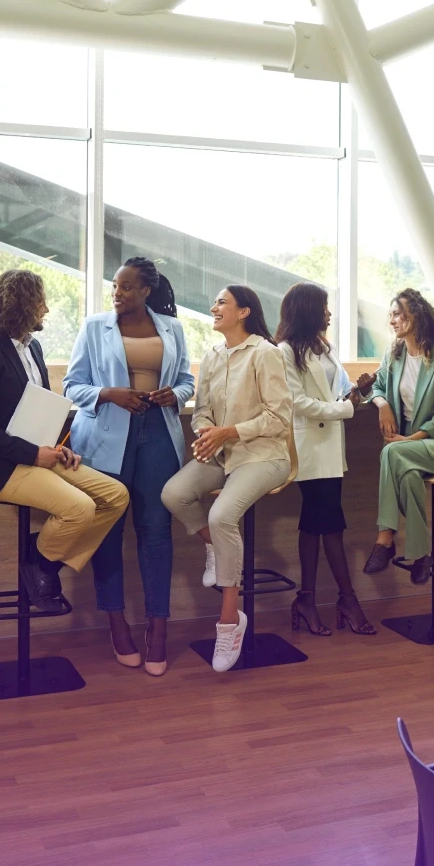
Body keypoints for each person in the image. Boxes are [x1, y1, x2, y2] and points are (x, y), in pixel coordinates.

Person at [0, 269, 129, 607]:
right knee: (80, 508)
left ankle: (42, 561)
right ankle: (43, 565)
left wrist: (58, 448)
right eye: (41, 303)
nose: (46, 310)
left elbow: (40, 410)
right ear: (22, 305)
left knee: (117, 495)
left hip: (38, 454)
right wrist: (36, 455)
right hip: (0, 465)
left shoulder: (33, 348)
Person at [64, 257, 195, 676]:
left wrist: (174, 394)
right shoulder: (94, 327)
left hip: (158, 434)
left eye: (124, 287)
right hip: (105, 438)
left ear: (145, 292)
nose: (116, 293)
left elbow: (189, 381)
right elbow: (71, 385)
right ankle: (116, 624)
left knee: (156, 532)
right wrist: (108, 394)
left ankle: (158, 630)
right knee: (109, 533)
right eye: (115, 286)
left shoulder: (172, 328)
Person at [161, 285, 292, 673]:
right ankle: (215, 548)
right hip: (224, 454)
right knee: (173, 494)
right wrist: (206, 433)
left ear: (244, 312)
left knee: (221, 517)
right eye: (215, 300)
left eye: (222, 302)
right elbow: (201, 411)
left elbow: (279, 419)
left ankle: (230, 621)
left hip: (266, 456)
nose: (213, 307)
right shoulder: (213, 355)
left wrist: (229, 432)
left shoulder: (266, 353)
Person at [276, 282, 376, 636]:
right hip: (308, 448)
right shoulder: (285, 351)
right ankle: (347, 599)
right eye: (324, 307)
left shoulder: (326, 348)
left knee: (315, 521)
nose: (330, 314)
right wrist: (343, 408)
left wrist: (358, 393)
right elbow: (295, 402)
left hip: (330, 445)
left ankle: (307, 599)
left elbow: (339, 393)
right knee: (330, 522)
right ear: (307, 311)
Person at [362, 289, 434, 584]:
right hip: (411, 450)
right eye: (391, 314)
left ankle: (385, 537)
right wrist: (382, 405)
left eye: (398, 313)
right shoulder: (393, 355)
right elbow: (377, 387)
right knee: (406, 475)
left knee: (391, 453)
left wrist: (410, 441)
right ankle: (422, 555)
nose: (392, 320)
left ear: (416, 316)